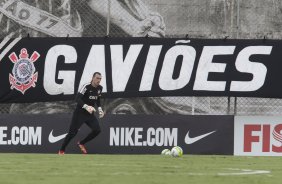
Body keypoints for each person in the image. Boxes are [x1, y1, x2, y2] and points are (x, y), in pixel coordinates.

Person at [58, 72, 105, 155]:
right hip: (80, 113)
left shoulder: (100, 88)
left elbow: (97, 99)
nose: (99, 80)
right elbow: (77, 98)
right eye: (97, 78)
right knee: (72, 133)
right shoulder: (86, 86)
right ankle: (61, 150)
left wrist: (100, 109)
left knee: (97, 130)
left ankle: (81, 143)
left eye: (100, 78)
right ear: (93, 78)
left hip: (89, 114)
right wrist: (86, 106)